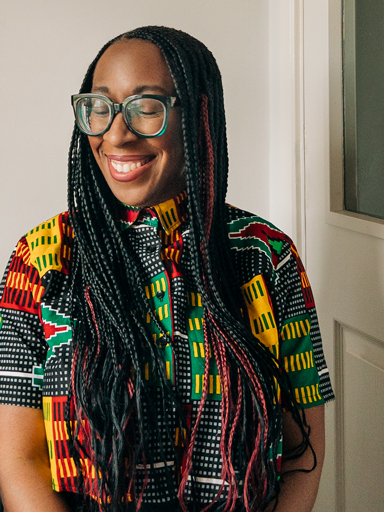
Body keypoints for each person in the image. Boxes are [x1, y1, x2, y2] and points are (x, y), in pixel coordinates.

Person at [0, 26, 334, 512]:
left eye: (146, 106)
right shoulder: (42, 259)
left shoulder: (266, 256)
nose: (116, 133)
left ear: (196, 115)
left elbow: (304, 450)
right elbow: (20, 461)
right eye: (100, 106)